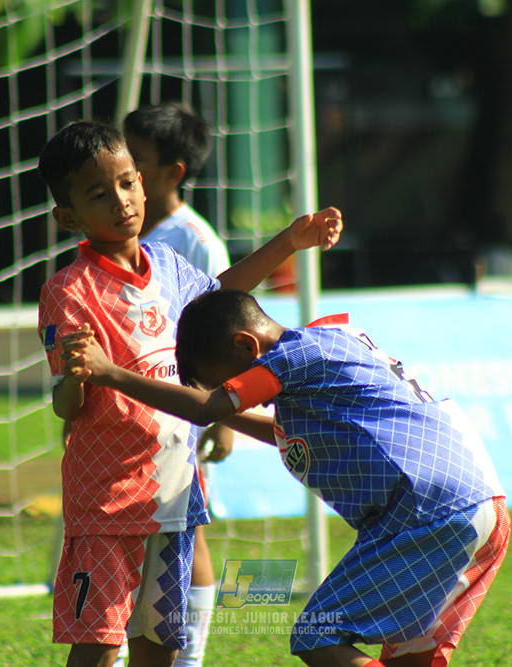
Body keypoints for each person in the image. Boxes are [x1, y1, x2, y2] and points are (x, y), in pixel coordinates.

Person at [63, 289, 511, 667]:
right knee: (409, 655)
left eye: (229, 384)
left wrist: (110, 373)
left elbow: (206, 408)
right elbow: (279, 430)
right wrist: (233, 416)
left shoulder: (292, 357)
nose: (232, 396)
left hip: (425, 510)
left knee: (317, 635)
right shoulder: (328, 340)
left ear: (247, 346)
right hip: (481, 501)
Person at [36, 120, 341, 667]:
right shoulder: (69, 290)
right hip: (107, 500)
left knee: (159, 644)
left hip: (174, 493)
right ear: (68, 215)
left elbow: (223, 292)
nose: (121, 201)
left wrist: (289, 242)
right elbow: (66, 406)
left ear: (144, 184)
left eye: (127, 183)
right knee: (100, 645)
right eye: (98, 194)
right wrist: (81, 377)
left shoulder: (171, 267)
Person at [121, 101, 231, 667]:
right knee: (152, 532)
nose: (126, 174)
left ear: (173, 173)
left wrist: (225, 418)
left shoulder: (195, 241)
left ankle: (187, 656)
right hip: (135, 417)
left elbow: (222, 326)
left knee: (186, 531)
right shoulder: (124, 229)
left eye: (136, 162)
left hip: (180, 414)